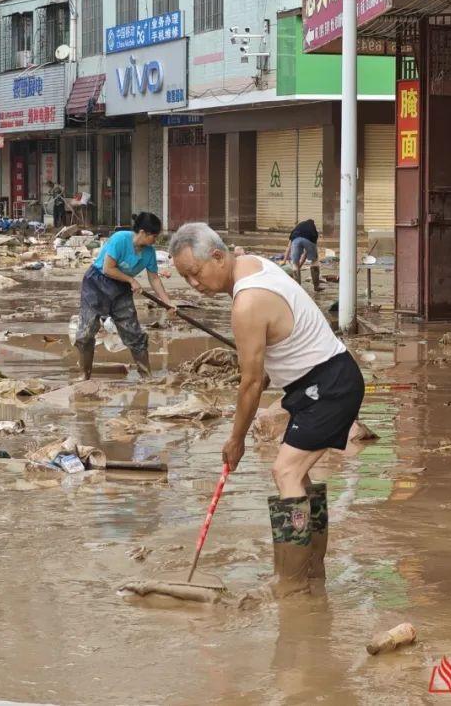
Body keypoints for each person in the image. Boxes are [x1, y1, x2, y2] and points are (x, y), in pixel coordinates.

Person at [169, 222, 364, 596]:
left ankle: (289, 584)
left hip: (328, 385)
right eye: (185, 278)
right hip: (319, 382)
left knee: (285, 472)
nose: (194, 284)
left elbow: (253, 382)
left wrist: (236, 439)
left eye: (195, 273)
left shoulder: (247, 303)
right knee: (299, 477)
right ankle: (312, 574)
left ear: (217, 256)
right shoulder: (249, 263)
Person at [75, 212, 175, 379]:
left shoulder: (149, 252)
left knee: (134, 334)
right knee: (86, 333)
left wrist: (167, 303)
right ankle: (84, 375)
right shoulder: (120, 239)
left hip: (121, 290)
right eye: (154, 236)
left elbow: (154, 279)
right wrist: (131, 280)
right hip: (96, 283)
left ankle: (146, 376)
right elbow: (108, 268)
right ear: (142, 232)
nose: (155, 241)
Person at [288, 218, 322, 291]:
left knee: (295, 264)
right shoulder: (313, 230)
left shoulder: (296, 229)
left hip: (295, 240)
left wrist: (297, 266)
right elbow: (307, 252)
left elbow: (288, 247)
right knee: (314, 261)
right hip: (309, 240)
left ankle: (297, 288)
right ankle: (316, 287)